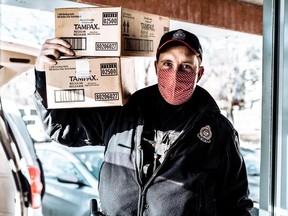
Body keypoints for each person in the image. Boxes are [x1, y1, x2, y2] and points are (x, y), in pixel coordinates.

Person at [34, 28, 254, 215]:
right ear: (157, 66)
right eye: (167, 63)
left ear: (200, 73)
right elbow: (62, 129)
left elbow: (236, 205)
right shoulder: (123, 113)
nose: (175, 73)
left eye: (186, 66)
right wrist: (43, 74)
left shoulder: (218, 132)